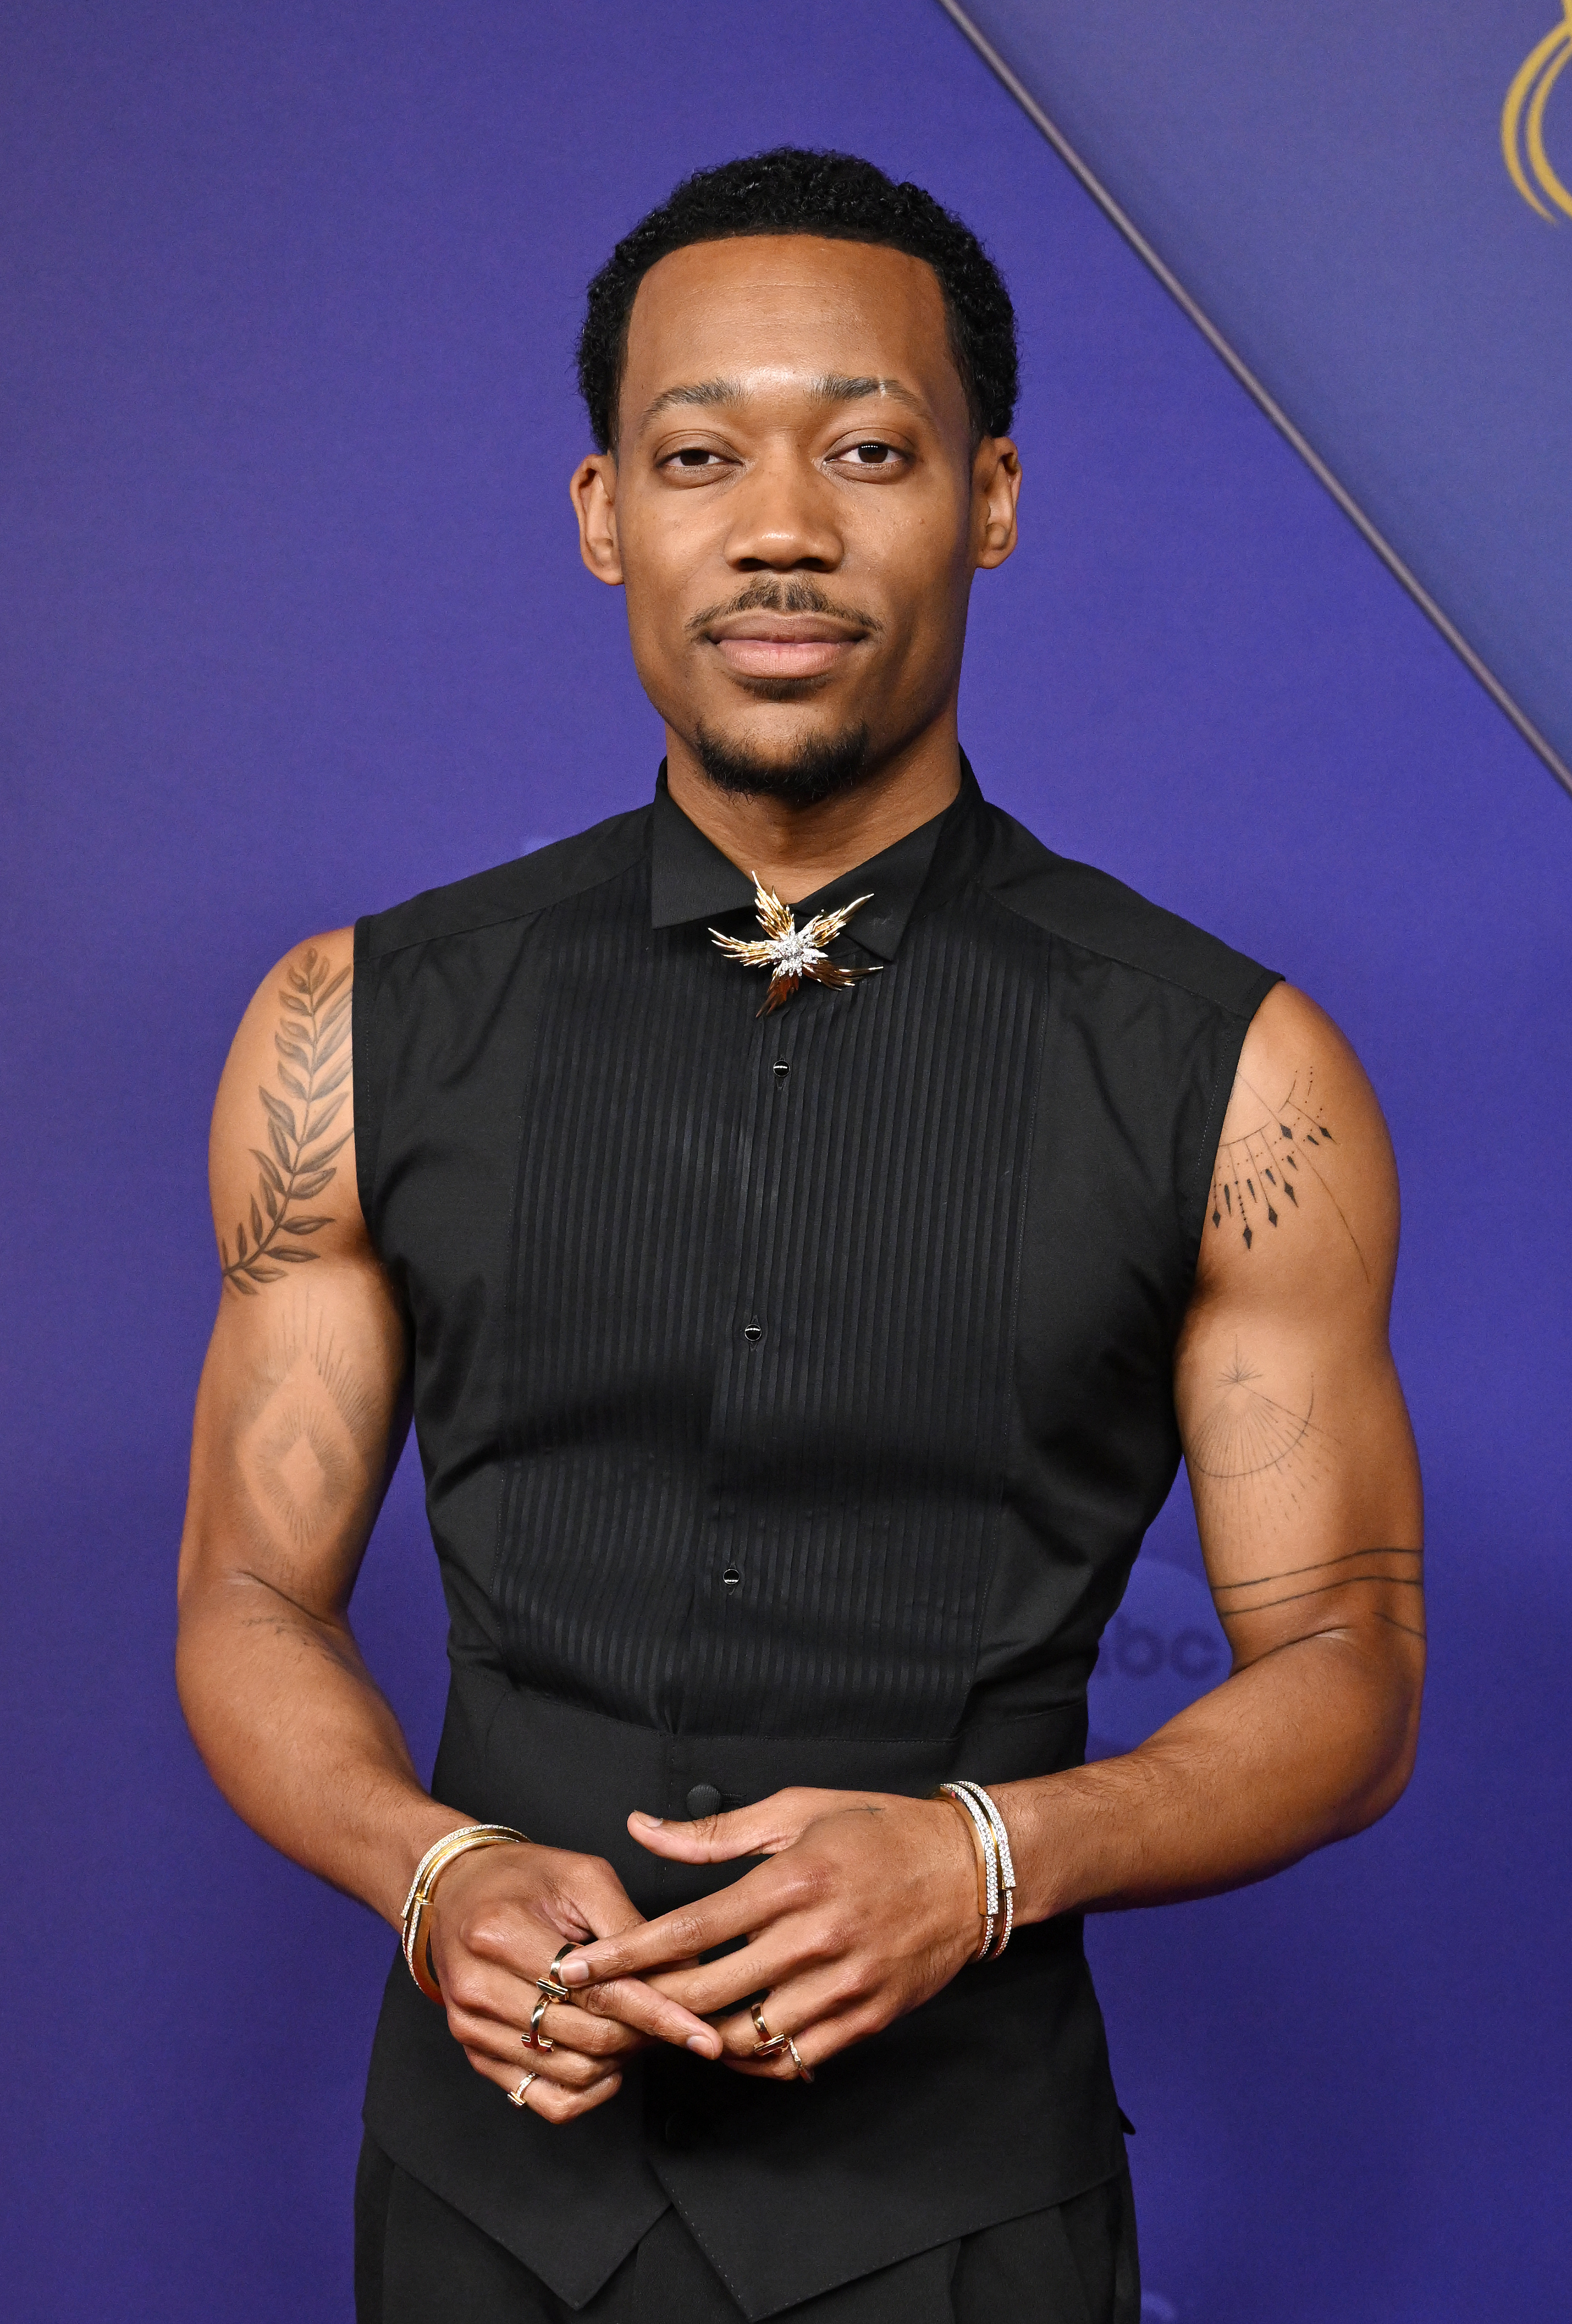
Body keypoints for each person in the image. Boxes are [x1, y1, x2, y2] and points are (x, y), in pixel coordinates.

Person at [176, 149, 1424, 2323]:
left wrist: (987, 1853)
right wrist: (430, 1869)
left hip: (962, 2221)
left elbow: (1345, 1669)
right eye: (696, 455)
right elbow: (243, 1595)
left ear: (991, 496)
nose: (779, 527)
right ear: (601, 516)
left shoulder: (1232, 1071)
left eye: (866, 450)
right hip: (483, 2208)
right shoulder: (351, 1028)